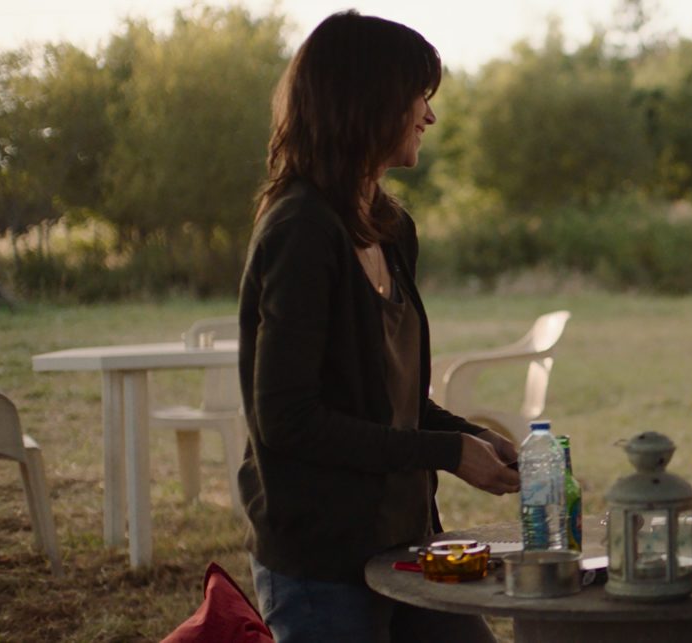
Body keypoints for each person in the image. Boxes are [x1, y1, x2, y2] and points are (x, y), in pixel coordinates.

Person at [238, 11, 519, 642]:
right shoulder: (299, 232)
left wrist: (470, 436)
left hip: (406, 541)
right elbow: (287, 420)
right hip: (321, 559)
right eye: (419, 95)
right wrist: (448, 453)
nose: (429, 116)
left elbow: (389, 405)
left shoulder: (391, 228)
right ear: (368, 102)